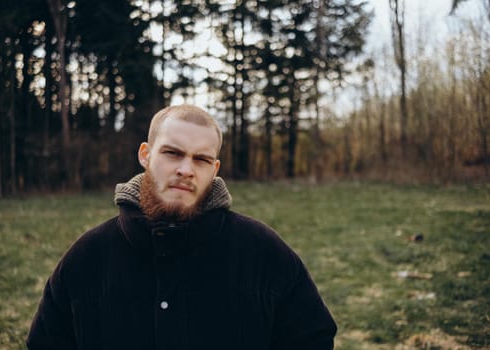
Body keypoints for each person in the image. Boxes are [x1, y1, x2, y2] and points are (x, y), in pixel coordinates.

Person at [27, 104, 337, 349]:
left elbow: (312, 338)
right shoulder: (88, 257)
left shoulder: (263, 252)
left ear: (214, 169)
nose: (186, 169)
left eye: (201, 159)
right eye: (172, 153)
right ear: (145, 155)